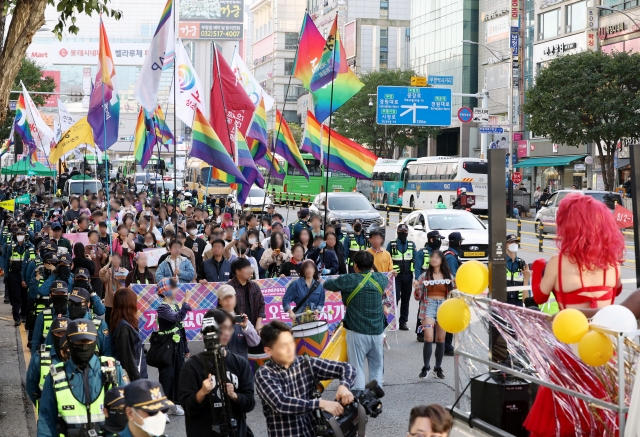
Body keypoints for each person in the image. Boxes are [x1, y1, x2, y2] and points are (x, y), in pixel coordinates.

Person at [526, 193, 624, 436]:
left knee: (564, 408)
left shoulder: (558, 262)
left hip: (571, 345)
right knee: (604, 405)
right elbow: (617, 291)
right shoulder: (613, 263)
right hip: (604, 345)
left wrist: (538, 269)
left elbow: (539, 297)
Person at [255, 321, 356, 437]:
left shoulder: (306, 362)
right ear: (269, 351)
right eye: (283, 345)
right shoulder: (264, 374)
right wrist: (321, 403)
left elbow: (347, 367)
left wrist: (344, 386)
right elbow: (281, 403)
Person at [36, 319, 127, 437]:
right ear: (69, 342)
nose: (84, 346)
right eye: (78, 342)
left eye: (88, 341)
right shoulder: (56, 376)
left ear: (95, 341)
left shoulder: (112, 369)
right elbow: (46, 420)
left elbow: (126, 413)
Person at [179, 308, 256, 437]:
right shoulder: (191, 366)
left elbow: (249, 403)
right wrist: (202, 392)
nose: (226, 332)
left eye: (230, 328)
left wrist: (234, 395)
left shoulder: (240, 363)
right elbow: (187, 407)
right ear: (208, 330)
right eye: (222, 327)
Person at [323, 251, 388, 391]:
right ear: (372, 265)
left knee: (356, 367)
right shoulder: (381, 279)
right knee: (376, 366)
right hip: (377, 331)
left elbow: (328, 284)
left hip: (357, 331)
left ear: (355, 266)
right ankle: (374, 397)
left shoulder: (349, 279)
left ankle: (358, 401)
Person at [413, 250, 454, 380]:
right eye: (432, 257)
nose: (434, 259)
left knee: (441, 339)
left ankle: (438, 367)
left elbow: (454, 294)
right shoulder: (425, 276)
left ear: (442, 260)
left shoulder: (448, 276)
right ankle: (426, 367)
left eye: (437, 257)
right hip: (428, 306)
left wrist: (457, 286)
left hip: (444, 306)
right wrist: (417, 289)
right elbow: (417, 297)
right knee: (429, 337)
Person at [156, 277, 192, 416]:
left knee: (178, 374)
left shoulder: (175, 305)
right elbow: (177, 318)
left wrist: (186, 347)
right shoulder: (162, 308)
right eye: (174, 287)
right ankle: (162, 408)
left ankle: (174, 404)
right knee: (167, 376)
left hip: (178, 346)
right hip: (166, 346)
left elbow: (181, 327)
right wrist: (186, 301)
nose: (177, 289)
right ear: (165, 292)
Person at [26, 317, 70, 408]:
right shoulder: (40, 357)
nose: (62, 337)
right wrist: (42, 405)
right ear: (52, 335)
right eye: (59, 333)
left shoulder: (80, 356)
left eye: (65, 334)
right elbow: (31, 387)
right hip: (47, 414)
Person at [111, 287, 148, 381]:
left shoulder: (125, 323)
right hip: (133, 379)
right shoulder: (123, 327)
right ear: (129, 305)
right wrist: (137, 380)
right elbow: (127, 359)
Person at [216, 284, 261, 359]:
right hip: (221, 367)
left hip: (240, 368)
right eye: (225, 298)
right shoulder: (214, 320)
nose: (228, 300)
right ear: (219, 301)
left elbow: (255, 342)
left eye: (230, 297)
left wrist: (245, 327)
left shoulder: (243, 319)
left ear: (235, 298)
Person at [387, 223, 415, 331]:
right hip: (396, 276)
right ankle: (391, 321)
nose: (403, 234)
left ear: (407, 233)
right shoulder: (392, 244)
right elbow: (388, 259)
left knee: (405, 299)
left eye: (405, 232)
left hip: (408, 275)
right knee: (394, 299)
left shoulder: (412, 245)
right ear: (397, 232)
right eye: (401, 232)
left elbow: (416, 259)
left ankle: (403, 322)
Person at [4, 227, 33, 325]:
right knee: (16, 297)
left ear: (25, 236)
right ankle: (16, 317)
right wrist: (7, 275)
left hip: (24, 274)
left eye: (22, 235)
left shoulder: (29, 246)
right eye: (18, 235)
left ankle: (24, 315)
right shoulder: (11, 247)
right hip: (14, 274)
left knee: (25, 297)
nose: (20, 237)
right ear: (16, 236)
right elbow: (7, 261)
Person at [228, 258, 265, 333]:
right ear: (237, 271)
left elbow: (261, 304)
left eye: (250, 268)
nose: (250, 271)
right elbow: (224, 311)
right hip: (236, 330)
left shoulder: (254, 286)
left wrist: (258, 324)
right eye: (246, 268)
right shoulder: (229, 288)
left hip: (254, 329)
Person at [283, 260, 325, 325]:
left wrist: (318, 310)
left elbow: (321, 303)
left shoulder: (319, 286)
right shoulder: (295, 284)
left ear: (314, 270)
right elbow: (286, 300)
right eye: (306, 268)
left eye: (311, 268)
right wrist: (290, 312)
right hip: (298, 319)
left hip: (313, 319)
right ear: (303, 270)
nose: (309, 270)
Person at [100, 253, 129, 329]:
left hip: (121, 301)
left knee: (119, 323)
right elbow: (102, 276)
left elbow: (128, 285)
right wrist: (108, 263)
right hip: (110, 302)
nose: (116, 261)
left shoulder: (125, 271)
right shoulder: (109, 271)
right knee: (109, 323)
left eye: (117, 259)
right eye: (114, 259)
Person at [505, 234, 530, 306]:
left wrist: (526, 278)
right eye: (511, 242)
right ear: (506, 245)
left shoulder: (522, 263)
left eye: (516, 242)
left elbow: (527, 289)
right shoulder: (500, 263)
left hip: (518, 304)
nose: (514, 244)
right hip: (503, 303)